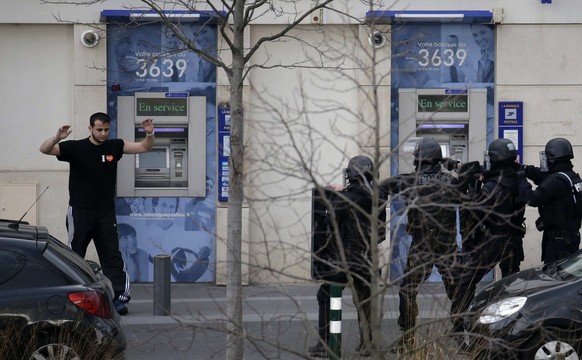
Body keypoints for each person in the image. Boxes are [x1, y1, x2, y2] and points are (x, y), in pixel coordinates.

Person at [39, 112, 155, 315]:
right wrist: (57, 137)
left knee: (112, 255)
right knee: (74, 256)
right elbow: (44, 150)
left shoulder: (114, 146)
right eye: (99, 129)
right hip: (80, 211)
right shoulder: (76, 147)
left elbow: (144, 147)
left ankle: (119, 298)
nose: (103, 133)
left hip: (105, 212)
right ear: (90, 128)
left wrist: (149, 133)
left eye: (106, 129)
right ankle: (72, 296)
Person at [380, 137, 461, 353]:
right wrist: (455, 166)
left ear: (418, 160)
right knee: (458, 291)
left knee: (407, 291)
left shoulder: (409, 181)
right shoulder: (451, 181)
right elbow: (472, 195)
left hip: (422, 247)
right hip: (447, 247)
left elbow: (382, 189)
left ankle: (407, 340)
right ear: (438, 160)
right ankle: (464, 337)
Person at [309, 155, 386, 358]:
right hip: (367, 260)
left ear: (351, 175)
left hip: (343, 261)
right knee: (366, 301)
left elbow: (327, 226)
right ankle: (367, 344)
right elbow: (381, 234)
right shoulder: (378, 199)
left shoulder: (343, 199)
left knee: (326, 295)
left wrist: (332, 196)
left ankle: (327, 345)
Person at [450, 138, 527, 334]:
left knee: (466, 280)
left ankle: (459, 325)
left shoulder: (494, 185)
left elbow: (475, 208)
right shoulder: (517, 178)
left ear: (494, 158)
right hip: (514, 239)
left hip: (494, 240)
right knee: (509, 283)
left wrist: (468, 185)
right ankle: (512, 326)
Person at [518, 137, 582, 264]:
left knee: (555, 281)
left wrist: (520, 178)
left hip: (559, 244)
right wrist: (523, 168)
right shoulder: (570, 176)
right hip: (570, 238)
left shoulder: (556, 181)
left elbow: (532, 199)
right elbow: (542, 176)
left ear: (553, 158)